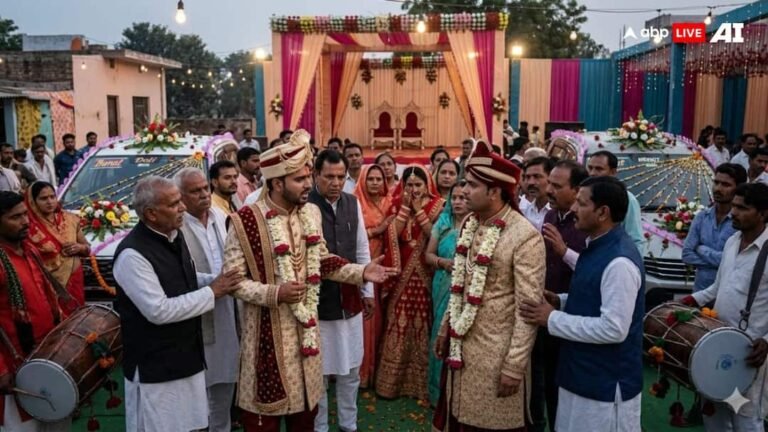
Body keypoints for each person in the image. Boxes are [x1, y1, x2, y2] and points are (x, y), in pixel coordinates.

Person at [222, 130, 397, 432]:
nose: (308, 185)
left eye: (307, 177)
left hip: (306, 338)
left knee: (306, 417)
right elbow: (233, 282)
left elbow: (323, 260)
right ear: (277, 183)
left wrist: (360, 272)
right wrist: (276, 293)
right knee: (264, 421)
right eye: (300, 180)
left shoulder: (311, 213)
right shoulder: (245, 220)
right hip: (267, 339)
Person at [113, 176, 242, 432]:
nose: (182, 208)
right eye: (174, 204)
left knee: (194, 426)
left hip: (187, 359)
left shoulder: (173, 235)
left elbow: (187, 278)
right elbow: (159, 310)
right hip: (156, 370)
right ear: (151, 214)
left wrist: (220, 281)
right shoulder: (132, 255)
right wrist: (212, 292)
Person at [432, 140, 545, 432]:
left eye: (471, 185)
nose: (464, 191)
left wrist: (514, 366)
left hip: (496, 360)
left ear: (495, 192)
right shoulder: (472, 223)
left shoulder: (524, 237)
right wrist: (446, 327)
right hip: (461, 352)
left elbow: (528, 311)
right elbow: (462, 282)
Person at [520, 176, 645, 432]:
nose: (573, 209)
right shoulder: (597, 246)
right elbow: (594, 298)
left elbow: (613, 328)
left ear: (602, 212)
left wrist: (552, 318)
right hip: (581, 375)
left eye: (581, 203)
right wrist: (561, 301)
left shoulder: (619, 262)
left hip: (604, 385)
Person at [682, 182, 768, 432]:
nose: (733, 213)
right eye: (734, 206)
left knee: (745, 417)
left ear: (763, 214)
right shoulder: (732, 241)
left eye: (742, 208)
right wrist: (691, 301)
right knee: (713, 413)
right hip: (716, 344)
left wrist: (766, 340)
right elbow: (718, 288)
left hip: (750, 353)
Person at [308, 150, 374, 432]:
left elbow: (361, 248)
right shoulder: (305, 206)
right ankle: (320, 426)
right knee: (319, 372)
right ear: (315, 176)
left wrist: (367, 291)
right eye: (329, 177)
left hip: (349, 299)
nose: (335, 183)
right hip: (317, 303)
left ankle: (349, 425)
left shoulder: (352, 203)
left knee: (350, 370)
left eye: (340, 177)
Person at [0, 191, 74, 431]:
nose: (25, 222)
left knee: (57, 422)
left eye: (25, 215)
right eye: (15, 217)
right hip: (14, 364)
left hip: (48, 357)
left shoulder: (29, 250)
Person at [175, 168, 240, 432]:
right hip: (196, 317)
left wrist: (229, 283)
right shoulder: (176, 227)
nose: (204, 194)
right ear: (180, 196)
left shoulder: (220, 216)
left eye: (205, 188)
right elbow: (179, 273)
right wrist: (214, 284)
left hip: (227, 312)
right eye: (195, 191)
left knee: (225, 384)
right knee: (196, 392)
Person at [376, 164, 445, 400]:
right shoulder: (397, 204)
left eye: (418, 184)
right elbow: (392, 234)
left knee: (425, 320)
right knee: (398, 317)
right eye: (409, 185)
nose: (414, 189)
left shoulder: (439, 206)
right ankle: (391, 384)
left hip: (426, 272)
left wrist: (419, 211)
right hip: (402, 270)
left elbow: (435, 235)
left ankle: (421, 384)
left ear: (427, 185)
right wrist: (406, 208)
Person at [529, 160, 589, 432]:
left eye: (556, 185)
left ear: (577, 190)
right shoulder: (552, 216)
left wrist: (564, 251)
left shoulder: (587, 225)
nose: (548, 190)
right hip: (546, 311)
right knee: (537, 379)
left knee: (560, 386)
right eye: (549, 183)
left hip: (574, 318)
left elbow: (594, 271)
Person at [424, 182, 468, 406]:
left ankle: (459, 394)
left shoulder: (478, 226)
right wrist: (444, 262)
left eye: (463, 197)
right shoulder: (443, 223)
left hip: (469, 290)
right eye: (455, 198)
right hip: (443, 283)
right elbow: (428, 256)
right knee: (439, 334)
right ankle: (438, 394)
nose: (458, 202)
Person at [353, 164, 394, 388]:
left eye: (379, 179)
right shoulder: (354, 202)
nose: (376, 183)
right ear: (363, 181)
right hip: (363, 267)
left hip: (386, 268)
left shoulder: (390, 202)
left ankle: (377, 371)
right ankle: (360, 373)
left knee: (382, 320)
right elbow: (353, 237)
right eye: (371, 179)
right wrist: (377, 231)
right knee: (366, 321)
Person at [682, 163, 746, 293]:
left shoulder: (742, 221)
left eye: (725, 185)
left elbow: (738, 261)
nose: (718, 188)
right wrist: (721, 262)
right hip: (700, 292)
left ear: (738, 189)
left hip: (729, 294)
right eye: (716, 182)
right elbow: (687, 254)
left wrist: (702, 250)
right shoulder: (702, 217)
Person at [25, 181, 89, 309]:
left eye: (52, 197)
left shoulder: (70, 219)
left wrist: (79, 248)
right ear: (32, 201)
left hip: (74, 278)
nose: (49, 202)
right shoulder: (28, 226)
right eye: (43, 198)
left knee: (76, 320)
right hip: (47, 284)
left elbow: (87, 248)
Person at [586, 151, 645, 251]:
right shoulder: (583, 195)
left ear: (613, 172)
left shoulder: (627, 199)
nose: (592, 173)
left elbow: (636, 240)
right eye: (590, 168)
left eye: (599, 169)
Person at [521, 157, 553, 231]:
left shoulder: (558, 213)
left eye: (537, 177)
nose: (530, 182)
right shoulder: (525, 211)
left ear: (550, 178)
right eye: (528, 177)